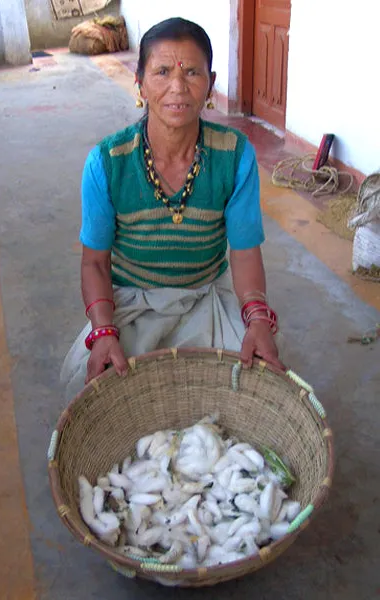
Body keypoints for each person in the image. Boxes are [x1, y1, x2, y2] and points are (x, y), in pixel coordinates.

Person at [61, 17, 284, 401]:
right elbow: (95, 263)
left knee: (259, 387)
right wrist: (103, 331)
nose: (177, 88)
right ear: (141, 82)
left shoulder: (235, 156)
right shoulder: (107, 162)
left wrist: (257, 319)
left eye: (192, 72)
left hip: (207, 296)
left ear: (210, 84)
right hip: (132, 302)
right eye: (162, 71)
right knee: (93, 391)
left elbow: (245, 252)